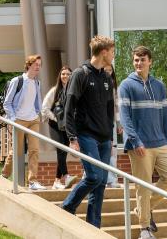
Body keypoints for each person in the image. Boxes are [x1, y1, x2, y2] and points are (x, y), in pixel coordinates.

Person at [120, 45, 167, 239]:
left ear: (150, 62)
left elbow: (166, 118)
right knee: (143, 185)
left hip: (160, 142)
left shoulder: (159, 86)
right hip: (140, 145)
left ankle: (143, 209)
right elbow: (124, 117)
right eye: (136, 59)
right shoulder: (126, 85)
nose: (139, 63)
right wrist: (135, 141)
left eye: (142, 59)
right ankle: (144, 228)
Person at [61, 36, 116, 228]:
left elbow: (110, 110)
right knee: (95, 177)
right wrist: (72, 137)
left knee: (100, 185)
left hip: (103, 139)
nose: (113, 56)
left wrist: (110, 138)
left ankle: (94, 226)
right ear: (103, 52)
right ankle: (68, 206)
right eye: (112, 52)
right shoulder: (80, 74)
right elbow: (69, 107)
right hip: (86, 135)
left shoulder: (107, 77)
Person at [1, 54, 46, 191]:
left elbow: (37, 101)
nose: (38, 67)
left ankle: (32, 181)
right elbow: (7, 103)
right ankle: (4, 175)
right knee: (16, 151)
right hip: (19, 120)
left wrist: (40, 114)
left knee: (34, 150)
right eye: (36, 64)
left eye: (40, 65)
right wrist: (13, 118)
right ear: (29, 65)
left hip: (33, 120)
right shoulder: (18, 80)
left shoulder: (37, 82)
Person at [42, 65, 75, 189]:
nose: (65, 76)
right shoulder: (54, 90)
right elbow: (44, 108)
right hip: (55, 126)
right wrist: (57, 119)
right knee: (60, 149)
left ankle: (56, 181)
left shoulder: (73, 91)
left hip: (67, 126)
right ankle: (66, 176)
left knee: (63, 152)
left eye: (68, 74)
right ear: (60, 76)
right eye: (63, 74)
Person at [105, 65, 122, 189]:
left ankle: (112, 180)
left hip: (110, 122)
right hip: (99, 123)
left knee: (112, 151)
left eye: (110, 70)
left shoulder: (114, 87)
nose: (108, 72)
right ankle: (105, 180)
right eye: (106, 70)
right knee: (103, 151)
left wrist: (118, 123)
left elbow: (117, 106)